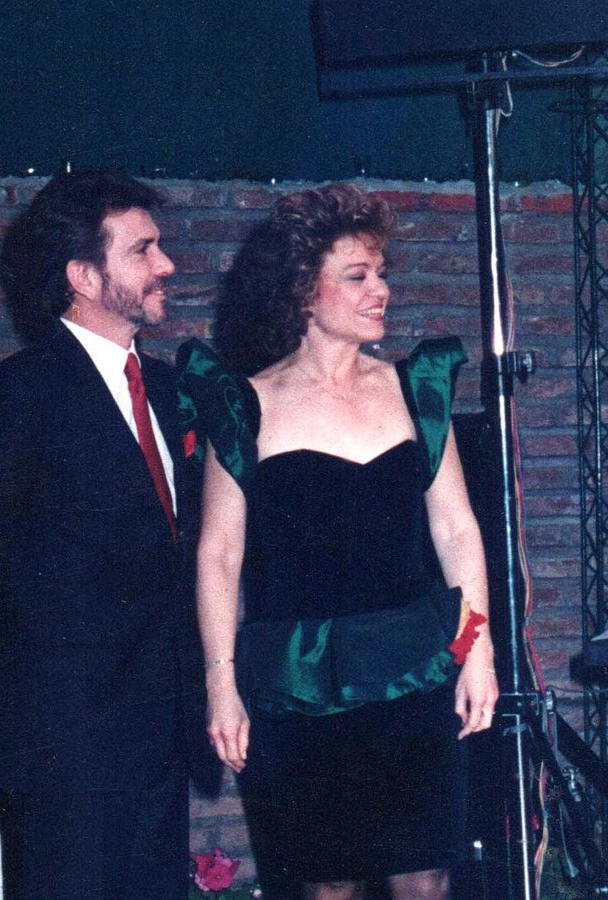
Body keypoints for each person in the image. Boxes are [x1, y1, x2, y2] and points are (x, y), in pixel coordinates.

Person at [188, 183, 499, 900]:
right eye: (358, 276)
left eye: (381, 273)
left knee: (426, 879)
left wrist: (477, 653)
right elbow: (219, 557)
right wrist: (220, 684)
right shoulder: (244, 405)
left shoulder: (416, 391)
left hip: (415, 671)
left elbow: (457, 530)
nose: (380, 290)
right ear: (304, 291)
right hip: (300, 685)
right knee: (327, 887)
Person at [0, 169, 196, 899]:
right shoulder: (18, 396)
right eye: (143, 250)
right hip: (64, 742)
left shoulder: (170, 390)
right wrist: (15, 688)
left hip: (161, 726)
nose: (167, 264)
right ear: (83, 276)